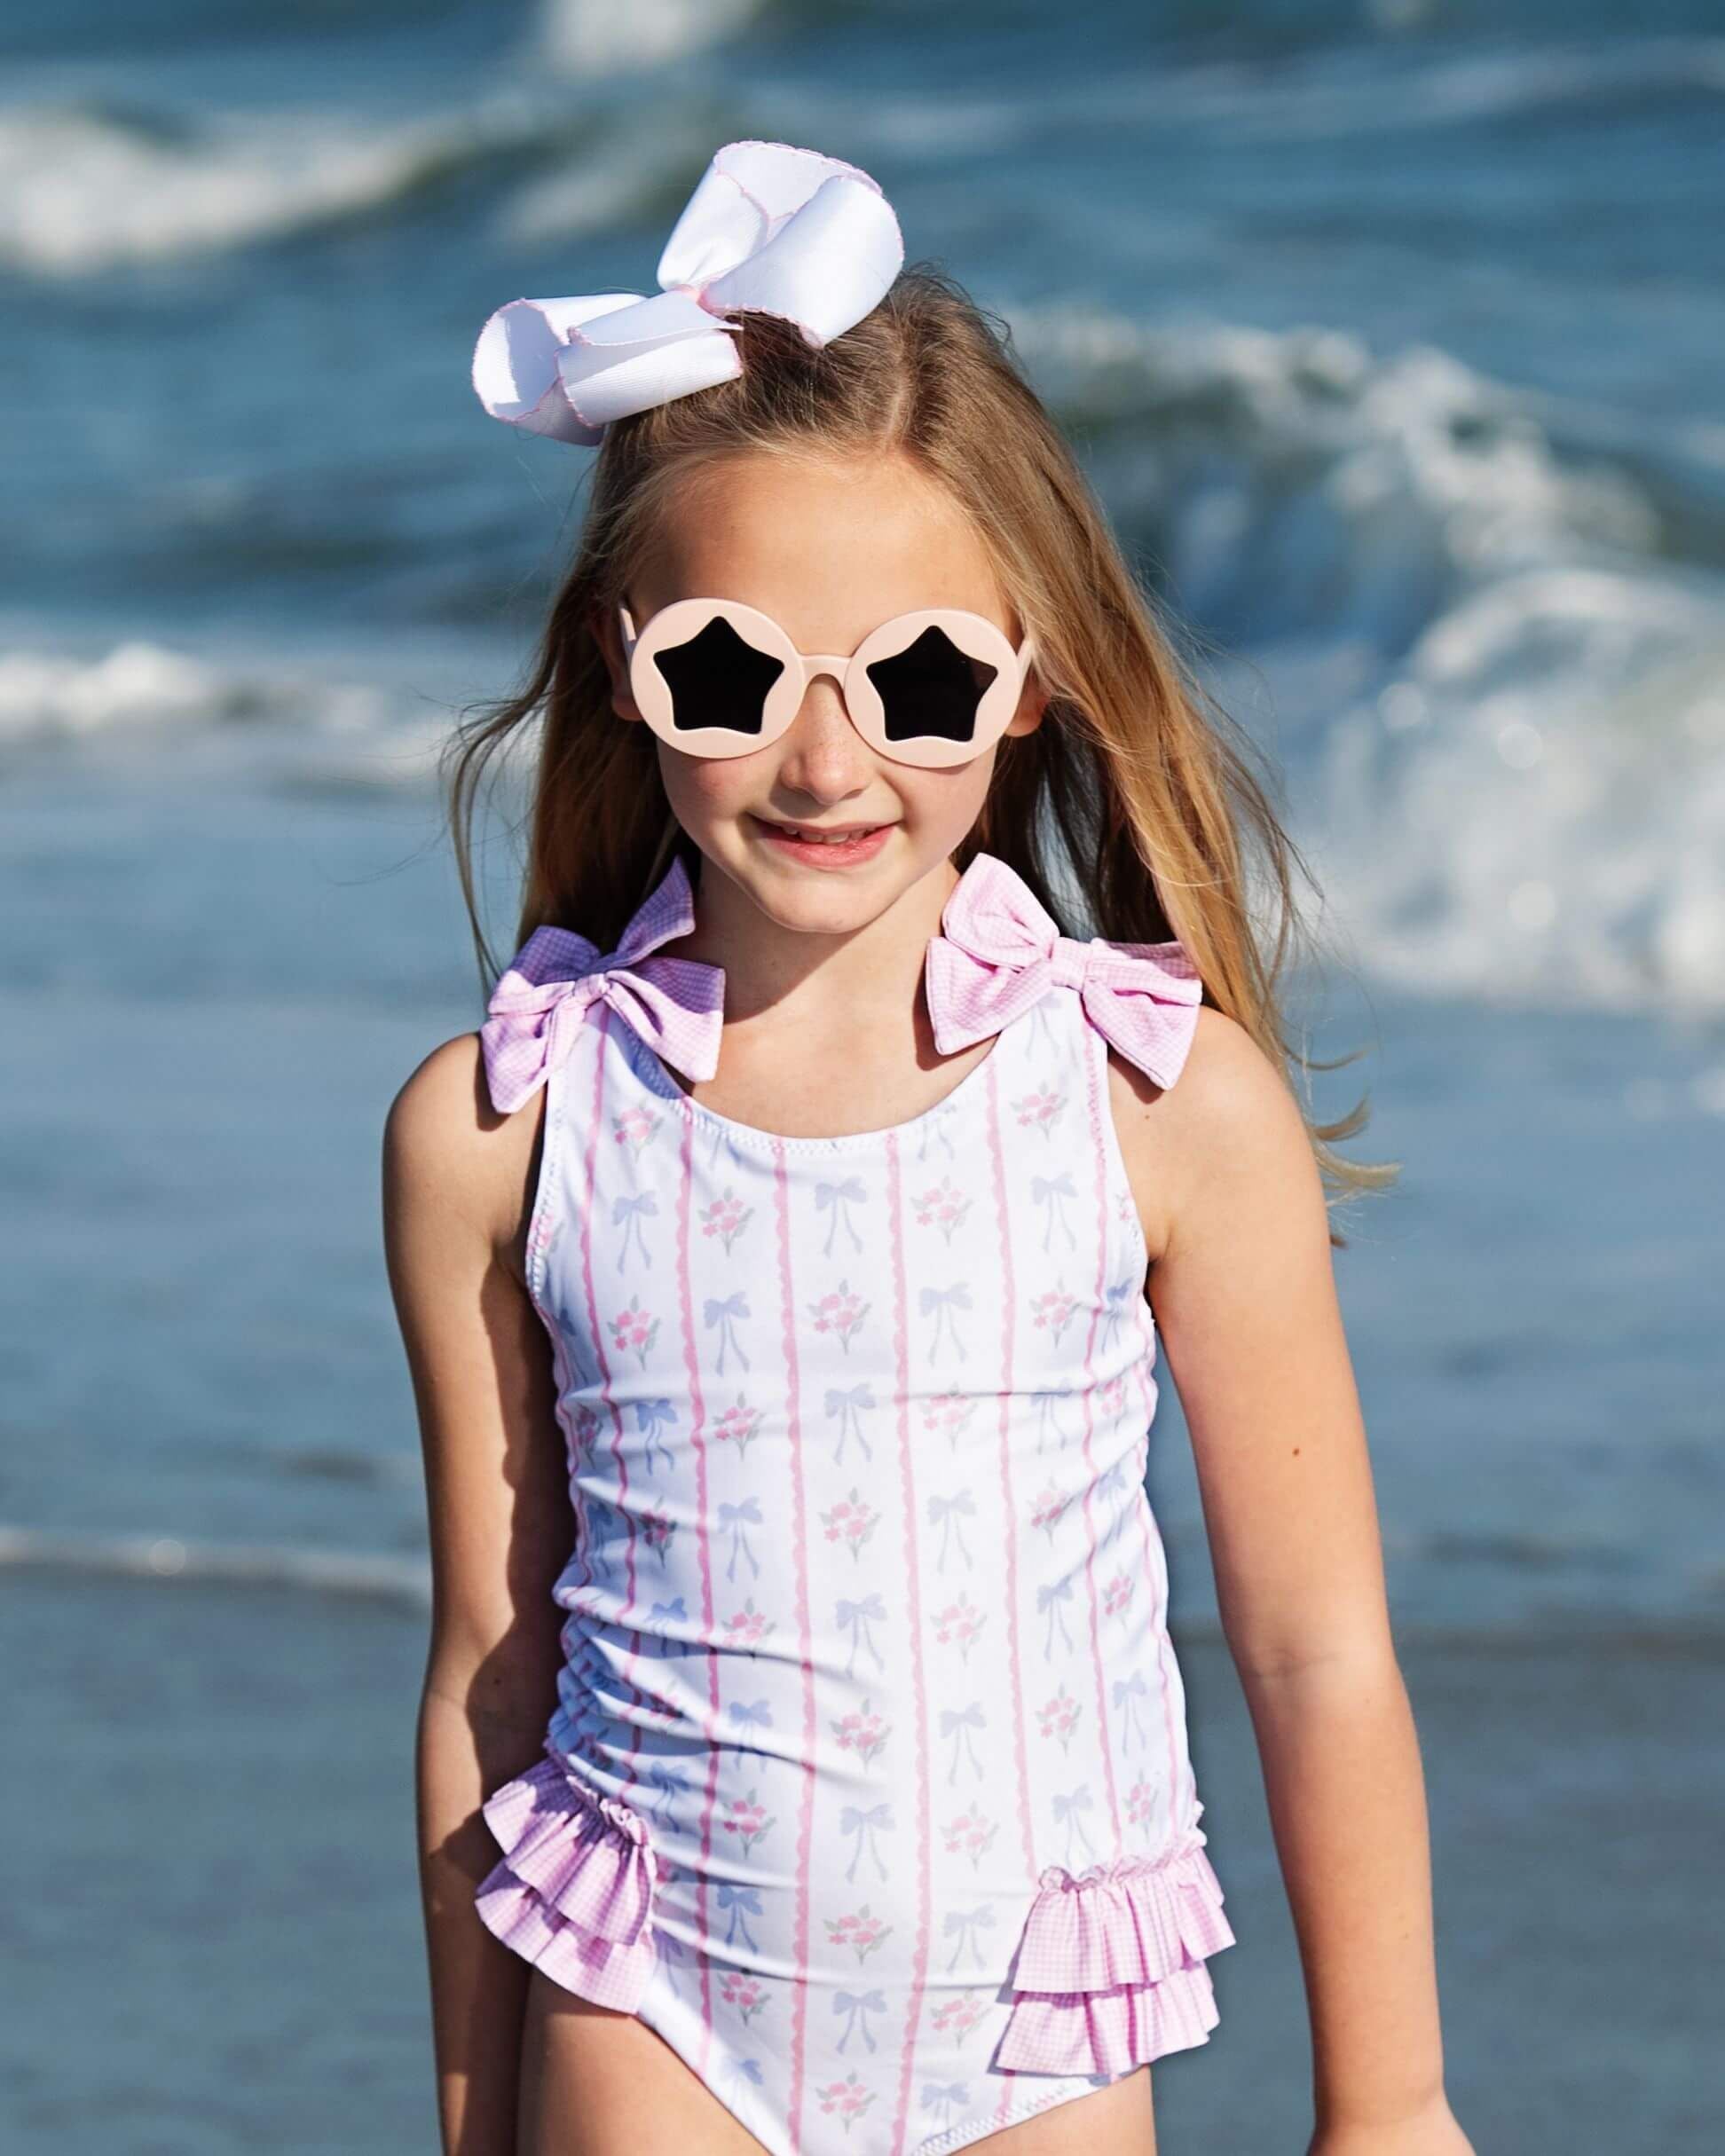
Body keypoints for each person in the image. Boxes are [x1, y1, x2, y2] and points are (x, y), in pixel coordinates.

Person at [383, 141, 1474, 2156]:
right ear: (626, 676)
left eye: (919, 679)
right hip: (650, 2010)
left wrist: (1389, 2103)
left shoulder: (1158, 1105)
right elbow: (490, 1667)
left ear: (1030, 682)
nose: (827, 757)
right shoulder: (510, 1126)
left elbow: (1317, 1647)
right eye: (729, 673)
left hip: (1031, 2042)